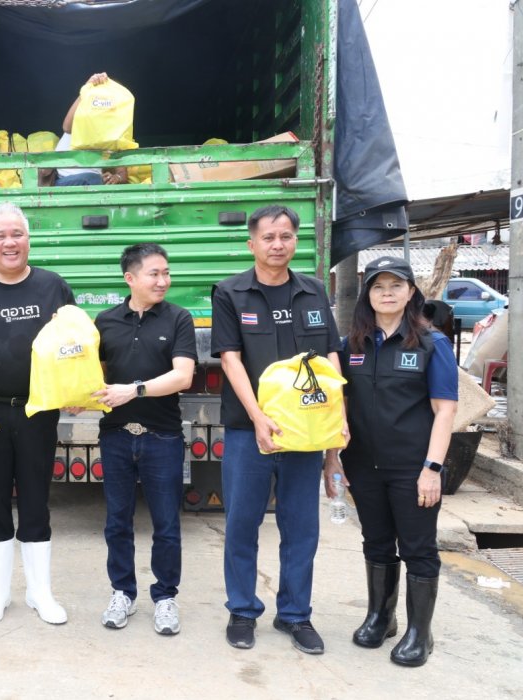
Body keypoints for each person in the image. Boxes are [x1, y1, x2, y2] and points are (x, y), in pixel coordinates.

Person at [210, 204, 344, 654]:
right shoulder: (231, 294)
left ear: (295, 240)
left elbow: (329, 359)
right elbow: (230, 359)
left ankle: (295, 615)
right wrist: (258, 418)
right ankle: (243, 611)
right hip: (251, 432)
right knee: (242, 524)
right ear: (252, 243)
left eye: (286, 236)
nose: (277, 245)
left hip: (306, 433)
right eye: (268, 238)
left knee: (301, 527)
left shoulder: (313, 291)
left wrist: (337, 422)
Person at [324, 256, 457, 667]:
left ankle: (421, 632)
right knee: (376, 543)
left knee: (417, 548)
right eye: (378, 286)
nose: (386, 293)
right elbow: (338, 406)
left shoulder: (431, 344)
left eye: (395, 285)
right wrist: (333, 459)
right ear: (368, 294)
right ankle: (381, 617)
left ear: (411, 293)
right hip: (364, 465)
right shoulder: (353, 345)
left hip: (412, 468)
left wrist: (432, 469)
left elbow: (445, 411)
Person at [0, 202, 76, 626]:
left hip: (39, 411)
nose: (10, 242)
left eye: (17, 234)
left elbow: (73, 343)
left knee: (37, 499)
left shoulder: (53, 287)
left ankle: (41, 592)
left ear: (28, 239)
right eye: (0, 235)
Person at [92, 243, 196, 635]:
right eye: (154, 274)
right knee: (117, 521)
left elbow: (182, 376)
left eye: (166, 273)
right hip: (116, 436)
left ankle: (165, 597)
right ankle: (123, 592)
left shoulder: (178, 319)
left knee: (166, 523)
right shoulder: (104, 322)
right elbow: (95, 378)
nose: (163, 281)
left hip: (162, 437)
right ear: (130, 278)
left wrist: (131, 390)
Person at [42, 72, 128, 187]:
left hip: (91, 182)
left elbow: (122, 174)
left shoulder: (115, 133)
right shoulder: (84, 118)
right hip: (61, 182)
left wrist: (116, 178)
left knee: (95, 180)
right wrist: (88, 87)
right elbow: (66, 127)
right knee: (94, 179)